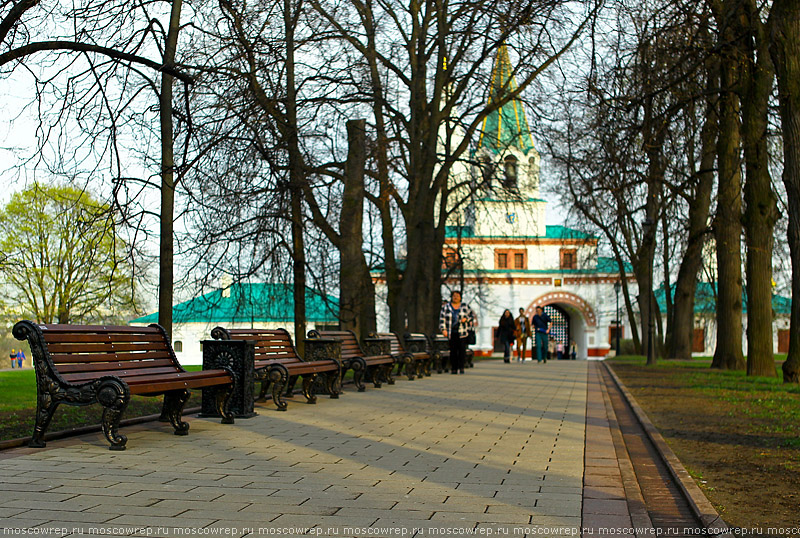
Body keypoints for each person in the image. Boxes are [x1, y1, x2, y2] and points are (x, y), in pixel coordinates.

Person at [439, 291, 476, 374]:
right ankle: (454, 368)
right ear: (451, 297)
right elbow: (442, 319)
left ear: (460, 297)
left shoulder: (464, 306)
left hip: (462, 332)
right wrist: (443, 329)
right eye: (454, 296)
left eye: (457, 296)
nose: (455, 297)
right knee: (453, 351)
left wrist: (466, 319)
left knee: (462, 350)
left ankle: (461, 367)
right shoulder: (446, 307)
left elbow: (471, 316)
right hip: (451, 332)